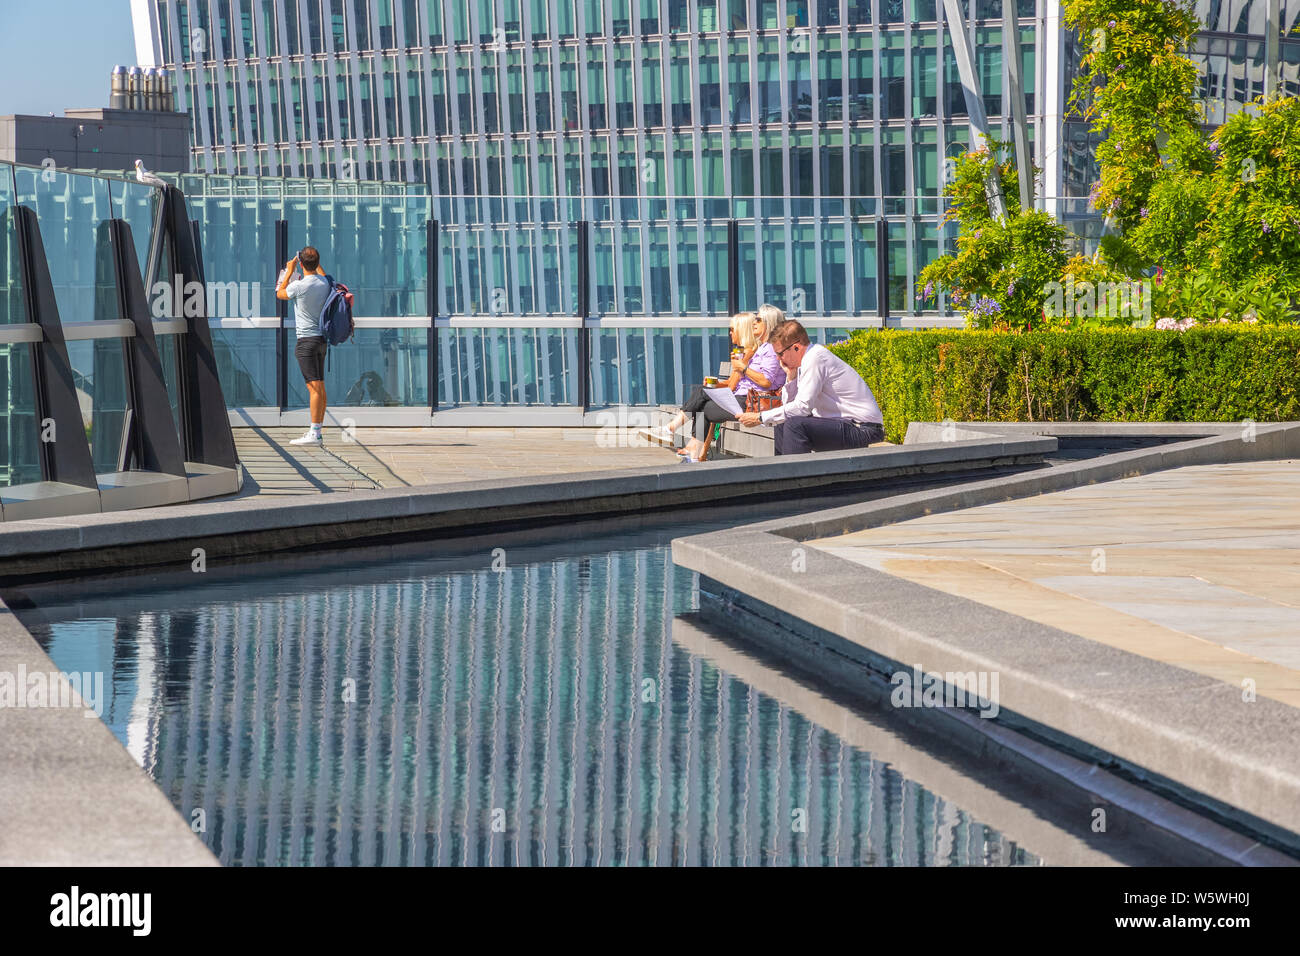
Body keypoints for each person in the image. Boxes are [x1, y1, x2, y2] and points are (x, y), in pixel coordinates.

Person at [648, 307, 786, 461]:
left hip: (753, 403)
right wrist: (739, 369)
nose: (754, 322)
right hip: (744, 399)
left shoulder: (771, 349)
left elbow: (765, 381)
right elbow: (737, 382)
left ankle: (682, 439)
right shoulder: (761, 348)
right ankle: (692, 450)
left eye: (758, 320)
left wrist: (743, 367)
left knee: (702, 397)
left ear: (770, 323)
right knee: (703, 399)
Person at [737, 319, 884, 454]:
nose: (777, 358)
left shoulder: (815, 358)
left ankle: (795, 479)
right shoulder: (805, 361)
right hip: (842, 425)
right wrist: (791, 377)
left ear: (796, 347)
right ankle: (782, 476)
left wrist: (760, 417)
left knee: (795, 425)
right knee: (784, 422)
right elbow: (790, 407)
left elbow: (803, 407)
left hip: (864, 430)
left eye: (780, 353)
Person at [276, 246, 331, 445]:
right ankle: (317, 430)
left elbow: (280, 293)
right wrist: (313, 263)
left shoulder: (299, 286)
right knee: (320, 387)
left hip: (306, 342)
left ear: (301, 263)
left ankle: (314, 433)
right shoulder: (325, 282)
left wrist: (289, 271)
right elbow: (322, 273)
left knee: (314, 389)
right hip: (321, 341)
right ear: (317, 263)